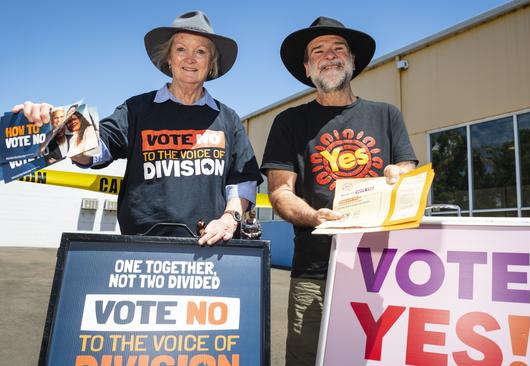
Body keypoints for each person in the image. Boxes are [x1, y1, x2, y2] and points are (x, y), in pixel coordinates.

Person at [14, 10, 262, 243]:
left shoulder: (227, 118)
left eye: (200, 51)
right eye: (180, 49)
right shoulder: (136, 109)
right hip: (140, 251)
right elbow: (97, 149)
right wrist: (56, 125)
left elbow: (243, 180)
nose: (189, 58)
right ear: (169, 58)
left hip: (208, 248)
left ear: (211, 62)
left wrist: (230, 219)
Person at [261, 16, 418, 365]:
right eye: (318, 50)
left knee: (375, 358)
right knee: (305, 358)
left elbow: (407, 167)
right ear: (306, 68)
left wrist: (399, 173)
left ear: (352, 61)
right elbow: (280, 194)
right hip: (313, 270)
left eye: (338, 49)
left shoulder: (387, 115)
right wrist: (316, 216)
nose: (329, 56)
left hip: (381, 270)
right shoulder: (288, 123)